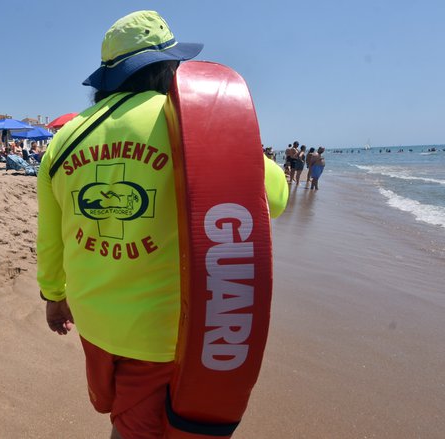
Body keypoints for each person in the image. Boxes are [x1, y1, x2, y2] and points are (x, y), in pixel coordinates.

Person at [36, 10, 288, 439]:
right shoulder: (198, 124)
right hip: (166, 333)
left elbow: (52, 236)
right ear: (170, 67)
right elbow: (275, 200)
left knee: (122, 412)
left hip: (95, 320)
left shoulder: (65, 137)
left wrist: (53, 295)